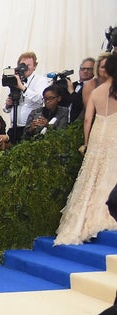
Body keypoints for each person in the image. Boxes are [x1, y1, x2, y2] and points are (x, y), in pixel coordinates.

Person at [55, 53, 117, 246]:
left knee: (92, 175)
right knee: (110, 171)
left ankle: (82, 221)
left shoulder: (96, 91)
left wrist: (87, 141)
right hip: (114, 133)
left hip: (98, 134)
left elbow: (88, 119)